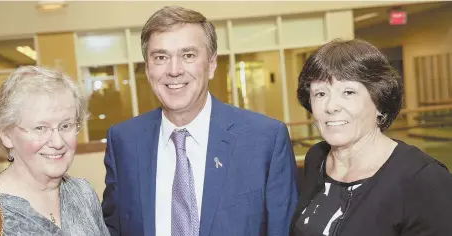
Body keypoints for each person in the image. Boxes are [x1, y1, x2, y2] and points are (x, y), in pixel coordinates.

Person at [101, 5, 297, 236]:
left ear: (211, 64)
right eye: (161, 57)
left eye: (188, 55)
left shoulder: (265, 140)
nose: (174, 70)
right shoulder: (124, 141)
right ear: (147, 68)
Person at [290, 39, 452, 236]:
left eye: (348, 92)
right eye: (321, 94)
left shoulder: (422, 179)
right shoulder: (316, 159)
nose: (331, 106)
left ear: (379, 102)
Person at [0, 66, 110, 236]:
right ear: (7, 135)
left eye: (65, 126)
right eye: (40, 128)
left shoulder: (82, 193)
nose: (58, 142)